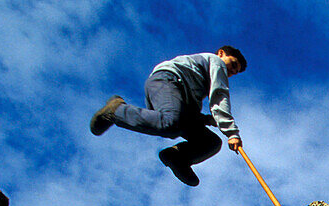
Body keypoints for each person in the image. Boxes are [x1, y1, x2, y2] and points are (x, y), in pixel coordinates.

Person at [90, 46, 247, 186]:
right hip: (167, 81)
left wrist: (205, 119)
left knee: (211, 142)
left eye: (236, 72)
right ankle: (116, 111)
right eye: (233, 65)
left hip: (177, 101)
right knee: (170, 122)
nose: (232, 72)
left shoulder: (199, 80)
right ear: (221, 53)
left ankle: (177, 157)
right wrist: (231, 132)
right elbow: (219, 96)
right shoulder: (215, 62)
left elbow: (189, 111)